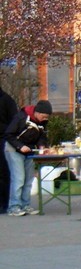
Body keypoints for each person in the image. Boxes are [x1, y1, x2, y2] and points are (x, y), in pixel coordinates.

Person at [4, 99, 51, 216]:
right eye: (44, 116)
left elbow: (42, 135)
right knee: (19, 178)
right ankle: (14, 207)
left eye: (47, 117)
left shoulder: (42, 122)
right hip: (14, 149)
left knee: (28, 179)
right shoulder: (21, 118)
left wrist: (42, 145)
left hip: (30, 151)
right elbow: (8, 134)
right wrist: (20, 146)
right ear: (37, 113)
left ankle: (25, 205)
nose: (45, 119)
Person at [0, 79, 18, 213]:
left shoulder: (6, 100)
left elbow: (14, 123)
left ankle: (4, 203)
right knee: (4, 173)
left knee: (4, 172)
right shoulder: (7, 100)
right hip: (4, 138)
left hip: (4, 140)